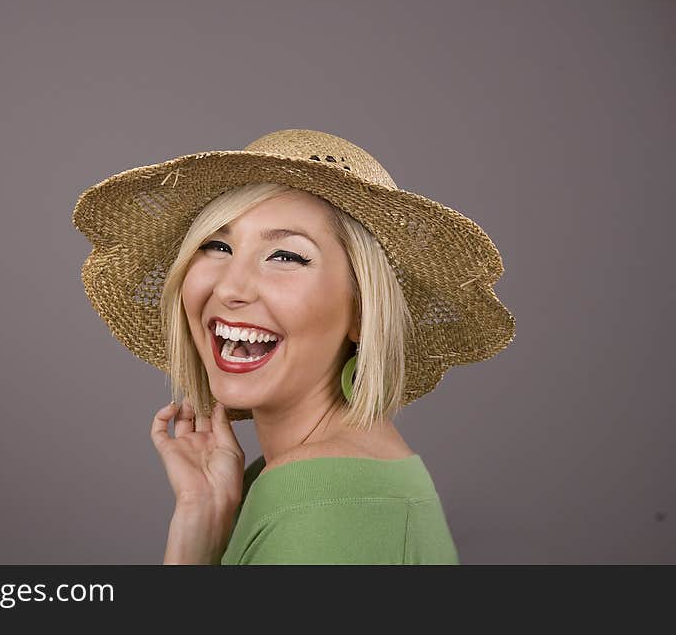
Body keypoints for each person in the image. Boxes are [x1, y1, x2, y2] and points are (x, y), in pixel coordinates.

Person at [72, 129, 515, 564]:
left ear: (362, 311)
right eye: (217, 245)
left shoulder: (322, 504)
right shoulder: (303, 481)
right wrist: (198, 530)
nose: (231, 287)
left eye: (285, 256)